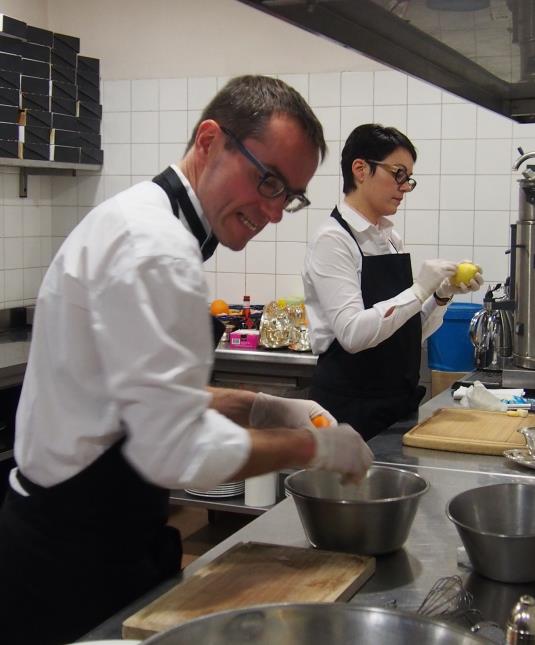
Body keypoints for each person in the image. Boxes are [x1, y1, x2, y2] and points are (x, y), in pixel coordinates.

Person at [0, 76, 374, 645]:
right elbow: (174, 452)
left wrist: (260, 407)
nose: (274, 211)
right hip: (74, 563)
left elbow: (133, 396)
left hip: (71, 536)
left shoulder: (138, 216)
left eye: (289, 195)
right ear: (209, 141)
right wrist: (317, 447)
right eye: (267, 180)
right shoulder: (159, 249)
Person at [303, 123, 484, 441]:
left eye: (408, 178)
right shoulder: (333, 240)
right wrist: (418, 290)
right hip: (348, 413)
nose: (404, 186)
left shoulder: (389, 238)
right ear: (360, 169)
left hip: (394, 409)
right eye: (398, 173)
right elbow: (353, 334)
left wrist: (439, 297)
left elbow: (405, 335)